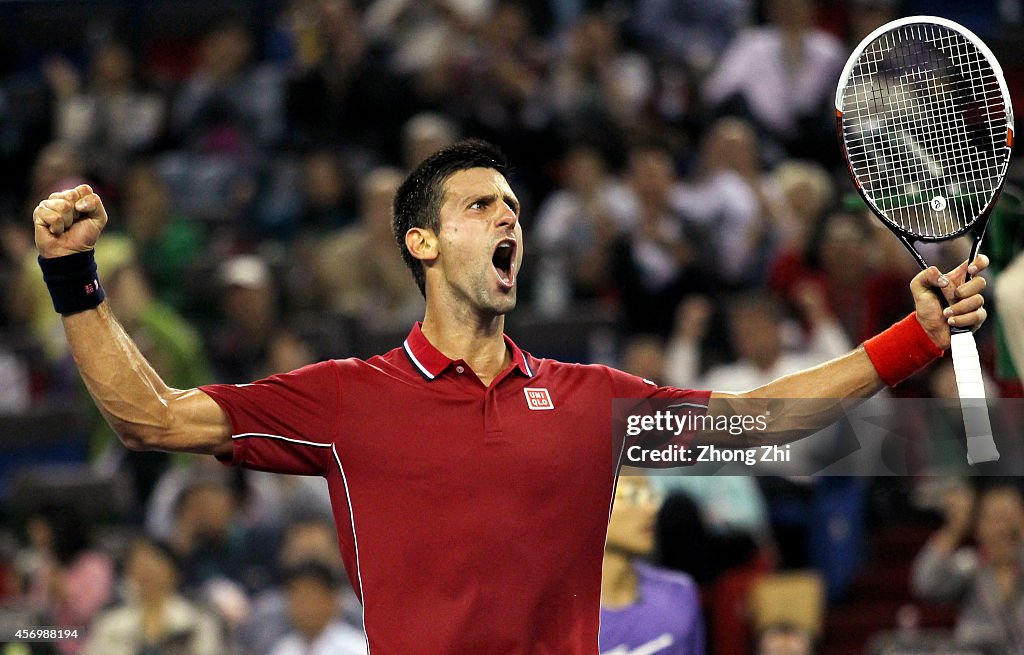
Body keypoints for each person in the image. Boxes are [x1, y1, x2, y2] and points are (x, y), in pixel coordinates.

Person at [32, 139, 989, 653]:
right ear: (420, 242)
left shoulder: (590, 399)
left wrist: (914, 338)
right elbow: (148, 413)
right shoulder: (344, 400)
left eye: (516, 210)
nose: (509, 220)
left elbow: (760, 424)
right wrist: (75, 278)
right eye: (481, 205)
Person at [599, 473, 704, 655]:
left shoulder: (679, 593)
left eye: (650, 494)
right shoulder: (558, 620)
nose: (651, 508)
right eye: (632, 495)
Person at [912, 482, 1024, 651]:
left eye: (1009, 519)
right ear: (979, 527)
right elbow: (925, 584)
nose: (1003, 529)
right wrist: (955, 528)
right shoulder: (969, 565)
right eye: (995, 519)